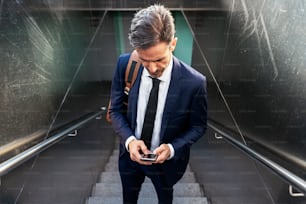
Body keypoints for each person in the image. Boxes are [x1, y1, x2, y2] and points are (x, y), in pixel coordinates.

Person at [109, 4, 207, 204]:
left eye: (159, 60)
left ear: (173, 44)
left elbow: (198, 126)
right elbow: (116, 111)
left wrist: (171, 148)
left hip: (167, 164)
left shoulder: (195, 83)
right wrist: (130, 141)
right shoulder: (124, 65)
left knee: (165, 199)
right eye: (145, 60)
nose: (152, 68)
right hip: (130, 158)